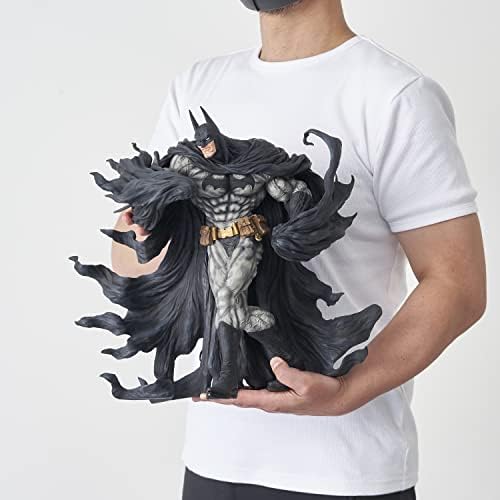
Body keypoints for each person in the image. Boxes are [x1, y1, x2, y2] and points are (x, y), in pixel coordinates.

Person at [110, 0, 487, 498]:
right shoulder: (197, 86)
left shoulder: (394, 94)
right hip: (214, 460)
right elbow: (137, 260)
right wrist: (144, 233)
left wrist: (348, 390)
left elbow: (457, 284)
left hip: (344, 471)